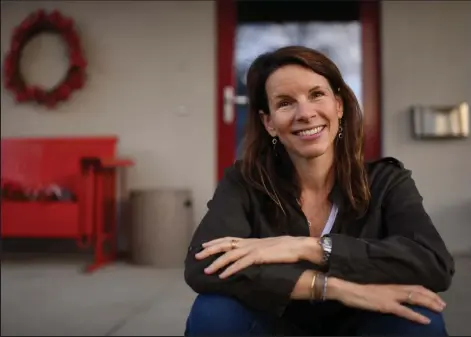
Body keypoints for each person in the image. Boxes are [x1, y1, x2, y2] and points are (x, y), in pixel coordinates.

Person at [184, 46, 455, 336]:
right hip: (275, 322)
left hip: (363, 321)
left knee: (418, 317)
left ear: (338, 105)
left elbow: (432, 263)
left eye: (316, 95)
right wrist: (330, 287)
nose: (305, 113)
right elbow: (205, 265)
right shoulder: (245, 182)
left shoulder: (386, 181)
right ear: (269, 123)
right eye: (286, 103)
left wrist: (306, 246)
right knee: (214, 313)